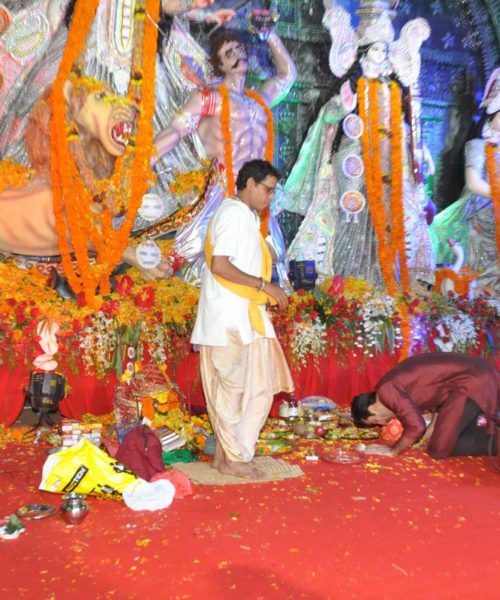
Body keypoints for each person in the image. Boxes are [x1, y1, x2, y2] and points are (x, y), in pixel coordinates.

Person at [281, 3, 435, 290]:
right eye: (378, 49)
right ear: (363, 55)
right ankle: (349, 278)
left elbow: (401, 127)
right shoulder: (353, 87)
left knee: (391, 218)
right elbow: (329, 116)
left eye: (386, 51)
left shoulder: (391, 90)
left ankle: (384, 278)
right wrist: (342, 107)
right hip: (355, 161)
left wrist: (420, 151)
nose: (383, 56)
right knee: (353, 214)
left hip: (388, 162)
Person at [191, 160, 294, 478]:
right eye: (267, 189)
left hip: (240, 318)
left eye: (274, 191)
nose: (270, 197)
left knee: (244, 390)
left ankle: (226, 458)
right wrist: (264, 285)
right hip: (229, 320)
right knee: (241, 391)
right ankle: (234, 458)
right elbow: (220, 265)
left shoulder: (244, 216)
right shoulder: (234, 213)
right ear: (249, 183)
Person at [351, 353, 499, 459]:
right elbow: (437, 399)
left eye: (376, 421)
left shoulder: (386, 390)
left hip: (472, 382)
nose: (383, 423)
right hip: (477, 375)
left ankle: (495, 444)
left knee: (438, 449)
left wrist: (393, 450)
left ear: (372, 409)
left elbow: (416, 426)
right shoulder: (389, 385)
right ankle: (489, 438)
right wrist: (430, 432)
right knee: (441, 439)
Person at [430, 68, 499, 295]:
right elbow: (473, 183)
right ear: (492, 114)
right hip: (479, 217)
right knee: (475, 277)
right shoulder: (478, 146)